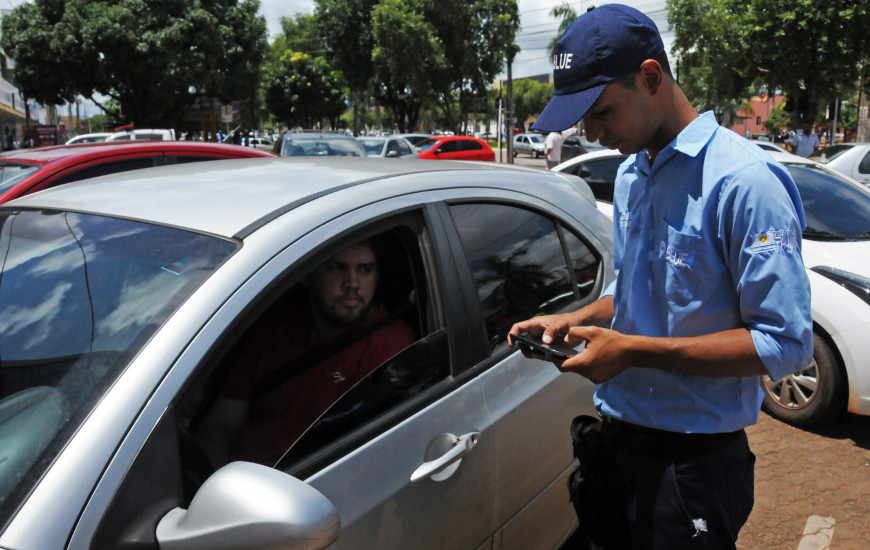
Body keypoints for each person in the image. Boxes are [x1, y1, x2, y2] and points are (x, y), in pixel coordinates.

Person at [510, 5, 812, 549]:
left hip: (693, 462)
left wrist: (633, 352)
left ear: (650, 77)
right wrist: (572, 319)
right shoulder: (631, 174)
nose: (594, 134)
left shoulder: (745, 183)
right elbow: (628, 293)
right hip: (618, 443)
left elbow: (784, 344)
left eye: (602, 112)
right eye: (584, 122)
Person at [196, 239, 416, 467]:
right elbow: (221, 424)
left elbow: (360, 460)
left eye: (365, 270)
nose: (352, 283)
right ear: (307, 275)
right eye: (335, 268)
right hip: (235, 481)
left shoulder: (389, 345)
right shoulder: (277, 332)